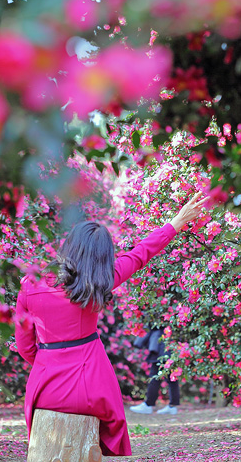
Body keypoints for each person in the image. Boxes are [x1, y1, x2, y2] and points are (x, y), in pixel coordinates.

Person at [14, 191, 210, 457]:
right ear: (102, 255)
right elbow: (141, 254)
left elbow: (25, 347)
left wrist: (49, 363)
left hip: (45, 388)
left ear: (69, 246)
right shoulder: (102, 280)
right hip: (93, 390)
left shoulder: (29, 285)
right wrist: (176, 222)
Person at [129, 327, 180, 415]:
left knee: (155, 376)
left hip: (161, 345)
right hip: (169, 344)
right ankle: (172, 406)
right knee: (171, 376)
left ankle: (149, 404)